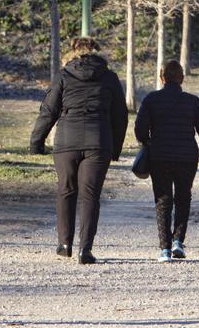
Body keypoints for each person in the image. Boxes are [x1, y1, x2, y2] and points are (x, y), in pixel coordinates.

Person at [29, 37, 128, 265]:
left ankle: (64, 244)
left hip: (66, 142)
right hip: (98, 141)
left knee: (66, 190)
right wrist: (115, 148)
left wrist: (37, 142)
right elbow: (120, 116)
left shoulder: (64, 76)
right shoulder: (110, 78)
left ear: (73, 52)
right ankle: (85, 249)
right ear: (96, 52)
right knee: (90, 195)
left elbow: (48, 111)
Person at [135, 60, 199, 262]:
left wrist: (148, 142)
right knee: (183, 197)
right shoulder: (192, 101)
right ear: (182, 79)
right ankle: (178, 241)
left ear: (161, 78)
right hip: (186, 158)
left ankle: (164, 249)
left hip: (159, 156)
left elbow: (139, 129)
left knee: (163, 200)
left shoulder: (151, 99)